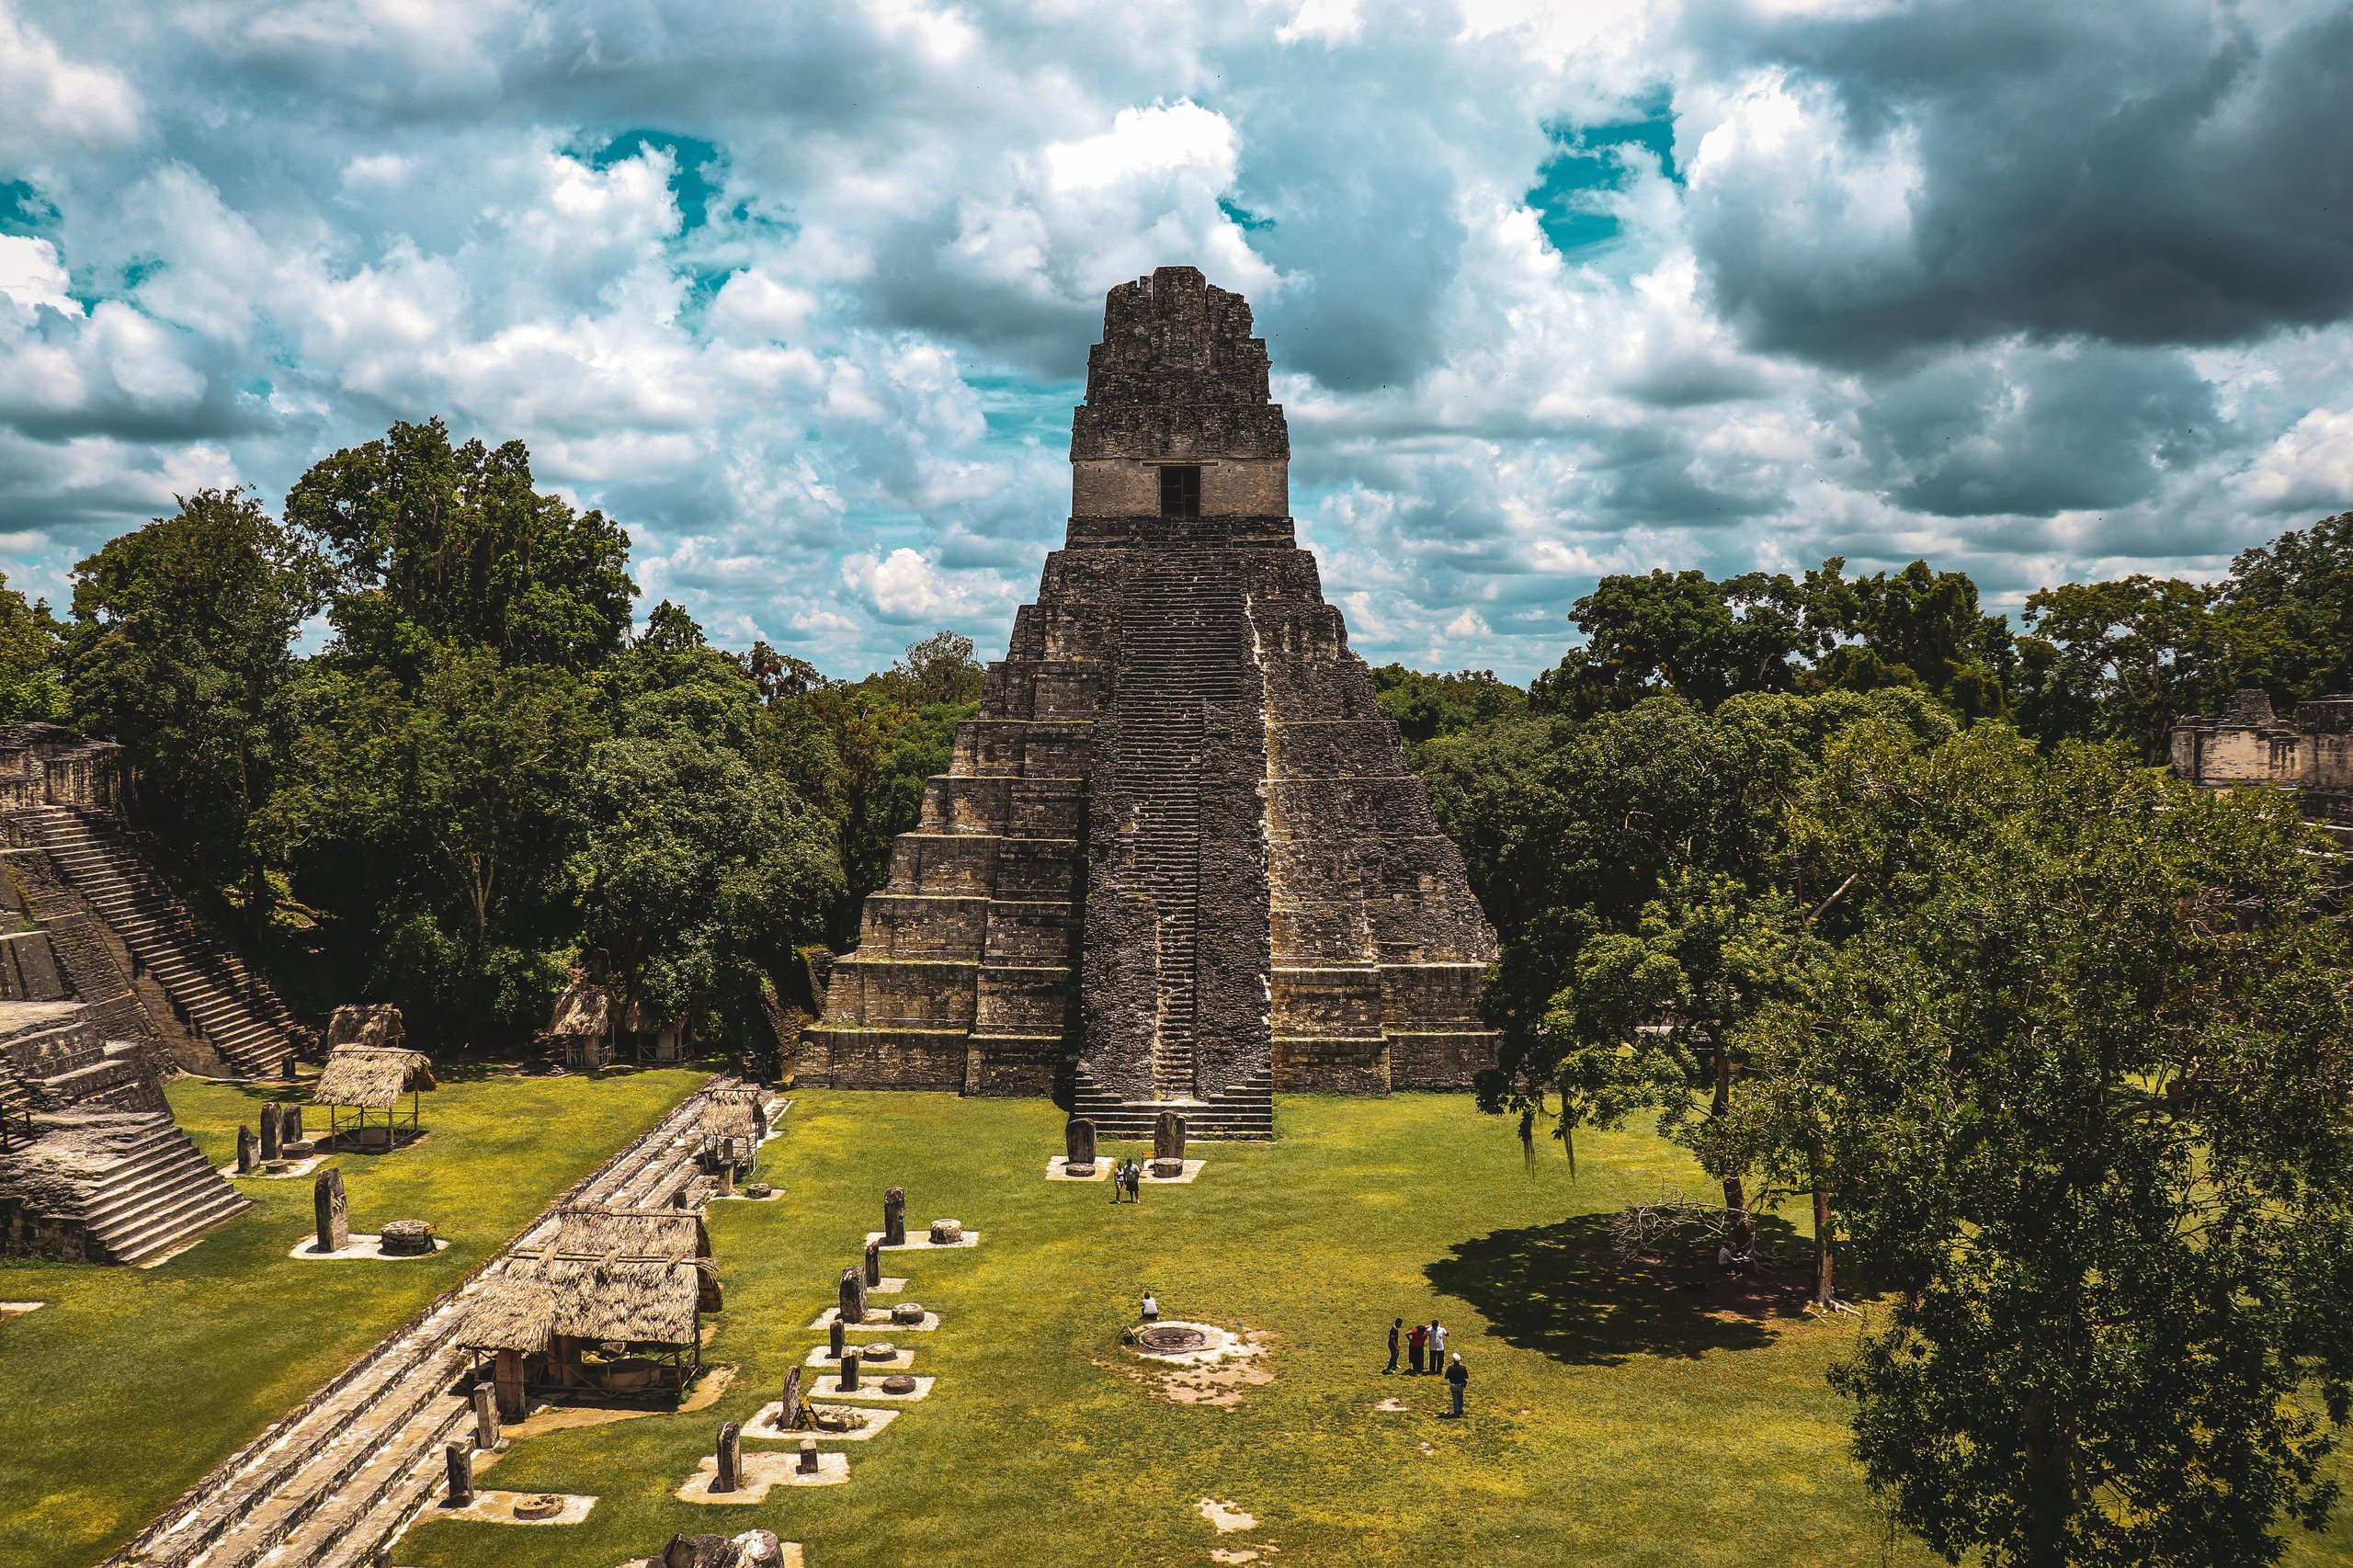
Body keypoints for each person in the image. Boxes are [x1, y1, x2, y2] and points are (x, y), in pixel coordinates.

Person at [1444, 1352, 1467, 1416]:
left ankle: (1456, 1411)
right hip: (1461, 1385)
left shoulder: (1450, 1368)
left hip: (1453, 1384)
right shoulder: (1463, 1368)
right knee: (1461, 1397)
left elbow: (1446, 1377)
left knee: (1455, 1398)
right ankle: (1461, 1409)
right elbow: (1466, 1376)